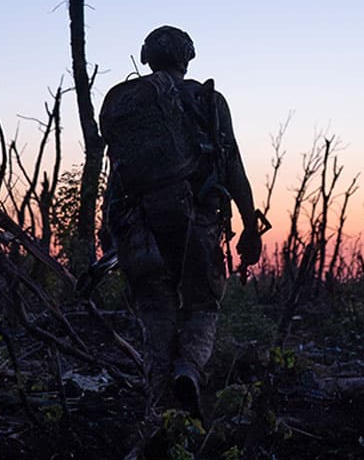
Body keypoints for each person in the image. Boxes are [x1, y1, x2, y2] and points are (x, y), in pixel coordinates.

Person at [99, 25, 265, 415]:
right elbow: (233, 165)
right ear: (187, 58)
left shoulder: (124, 102)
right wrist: (250, 226)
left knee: (156, 309)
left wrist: (110, 231)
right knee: (203, 307)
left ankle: (158, 400)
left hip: (138, 222)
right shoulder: (208, 100)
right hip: (196, 220)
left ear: (145, 57)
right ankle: (188, 369)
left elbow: (116, 174)